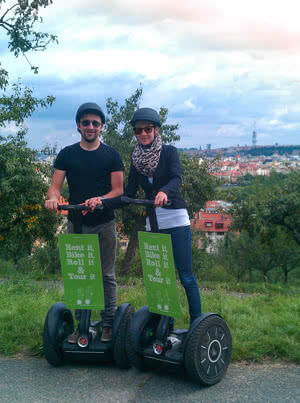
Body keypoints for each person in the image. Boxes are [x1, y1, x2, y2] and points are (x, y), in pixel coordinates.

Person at [87, 107, 202, 324]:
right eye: (138, 131)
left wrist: (163, 191)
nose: (143, 134)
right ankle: (164, 324)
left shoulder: (169, 152)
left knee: (185, 276)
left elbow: (176, 178)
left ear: (156, 130)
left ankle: (197, 324)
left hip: (175, 217)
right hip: (154, 222)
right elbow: (128, 194)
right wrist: (101, 202)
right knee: (160, 278)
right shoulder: (136, 158)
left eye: (148, 129)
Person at [45, 102, 124, 342]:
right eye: (86, 123)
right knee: (79, 274)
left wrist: (100, 199)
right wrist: (52, 199)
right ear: (79, 126)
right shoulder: (67, 154)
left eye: (95, 123)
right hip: (76, 222)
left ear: (101, 127)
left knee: (106, 274)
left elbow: (118, 191)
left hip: (104, 223)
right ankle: (83, 325)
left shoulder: (111, 155)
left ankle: (108, 323)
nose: (91, 127)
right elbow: (54, 188)